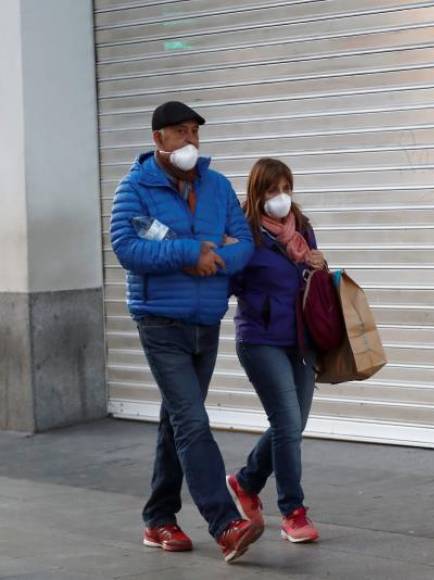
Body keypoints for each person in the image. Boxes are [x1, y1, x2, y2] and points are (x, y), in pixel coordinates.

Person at [110, 101, 263, 563]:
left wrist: (213, 258)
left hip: (205, 322)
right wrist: (190, 252)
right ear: (158, 139)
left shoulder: (216, 186)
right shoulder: (135, 187)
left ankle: (159, 519)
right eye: (180, 132)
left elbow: (247, 244)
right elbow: (127, 246)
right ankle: (225, 523)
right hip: (160, 320)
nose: (190, 140)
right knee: (193, 420)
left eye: (195, 132)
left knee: (177, 420)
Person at [223, 158, 327, 544]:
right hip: (260, 339)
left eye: (286, 188)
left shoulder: (302, 228)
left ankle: (246, 481)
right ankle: (292, 512)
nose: (281, 198)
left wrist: (318, 264)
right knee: (286, 423)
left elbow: (312, 282)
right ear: (257, 193)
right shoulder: (244, 234)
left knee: (293, 424)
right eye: (272, 190)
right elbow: (226, 282)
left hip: (301, 339)